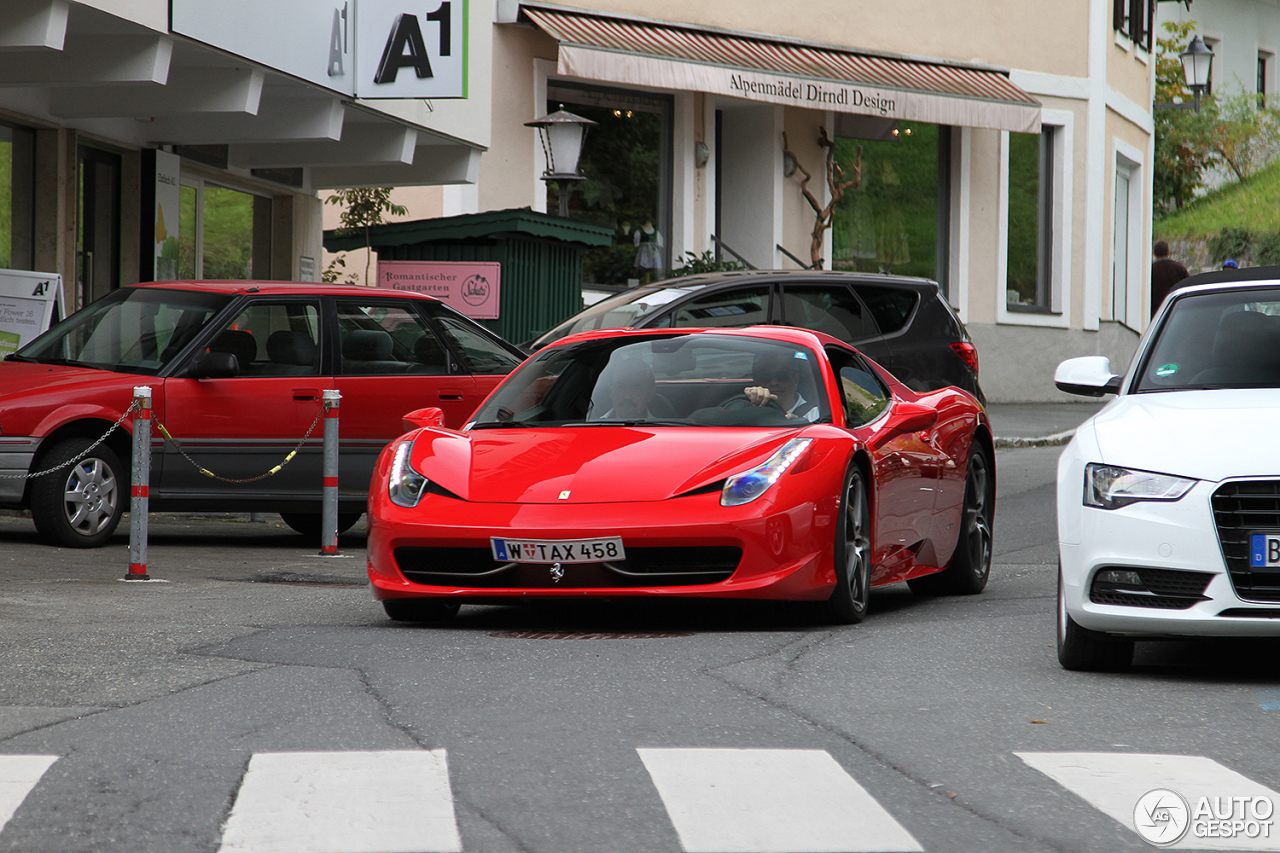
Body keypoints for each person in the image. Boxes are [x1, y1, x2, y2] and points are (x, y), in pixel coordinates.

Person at [741, 351, 819, 422]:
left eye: (781, 376)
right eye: (765, 377)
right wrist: (750, 401)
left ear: (795, 379)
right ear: (757, 381)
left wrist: (802, 426)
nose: (773, 382)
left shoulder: (816, 415)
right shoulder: (748, 409)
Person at [594, 358, 662, 420]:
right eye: (620, 387)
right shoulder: (592, 426)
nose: (627, 396)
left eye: (636, 389)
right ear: (610, 391)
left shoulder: (663, 429)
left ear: (649, 394)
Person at [1150, 240, 1189, 319]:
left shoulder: (1150, 270)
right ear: (1168, 252)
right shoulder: (1180, 269)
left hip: (1155, 314)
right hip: (1176, 312)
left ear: (1154, 253)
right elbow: (1188, 288)